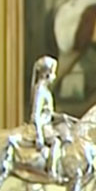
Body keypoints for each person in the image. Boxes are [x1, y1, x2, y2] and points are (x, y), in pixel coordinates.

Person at [29, 55, 62, 184]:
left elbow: (48, 112)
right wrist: (39, 135)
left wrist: (61, 117)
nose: (55, 76)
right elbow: (36, 115)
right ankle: (52, 171)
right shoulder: (40, 90)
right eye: (53, 72)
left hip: (47, 123)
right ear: (47, 74)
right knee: (56, 142)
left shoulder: (45, 90)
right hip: (43, 126)